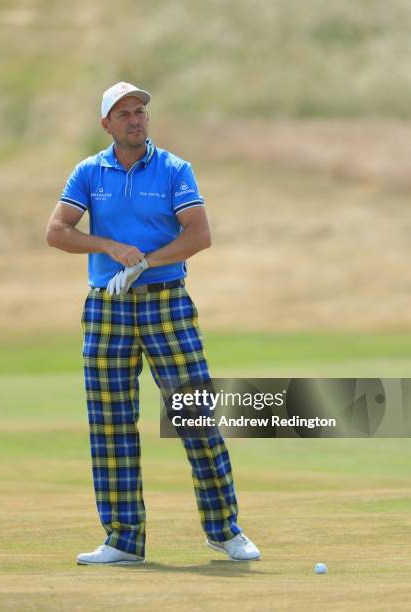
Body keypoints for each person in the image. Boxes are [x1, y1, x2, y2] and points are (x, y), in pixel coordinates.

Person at [46, 82, 261, 565]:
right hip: (107, 307)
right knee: (111, 425)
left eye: (140, 111)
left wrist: (146, 262)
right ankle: (123, 540)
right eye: (124, 114)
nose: (135, 120)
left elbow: (199, 234)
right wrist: (108, 246)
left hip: (167, 303)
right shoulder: (88, 171)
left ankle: (224, 530)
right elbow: (57, 232)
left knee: (194, 416)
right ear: (107, 124)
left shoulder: (173, 169)